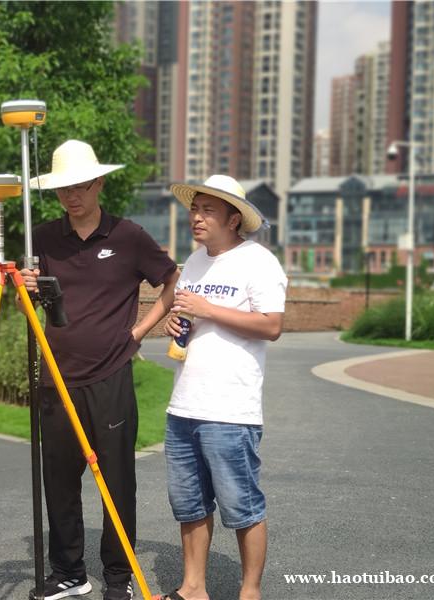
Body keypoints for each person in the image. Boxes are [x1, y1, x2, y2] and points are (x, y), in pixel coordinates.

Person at [19, 140, 179, 600]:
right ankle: (70, 572)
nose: (72, 196)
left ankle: (117, 577)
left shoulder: (128, 237)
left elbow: (171, 280)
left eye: (81, 186)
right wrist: (25, 289)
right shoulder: (43, 239)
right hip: (56, 376)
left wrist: (140, 331)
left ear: (99, 183)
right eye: (63, 188)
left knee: (117, 482)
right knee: (60, 480)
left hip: (110, 377)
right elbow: (25, 304)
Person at [159, 175, 287, 600]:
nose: (196, 217)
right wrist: (175, 322)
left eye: (207, 210)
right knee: (190, 505)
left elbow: (272, 326)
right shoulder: (194, 262)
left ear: (234, 219)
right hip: (183, 405)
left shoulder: (259, 262)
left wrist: (206, 309)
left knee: (242, 506)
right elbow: (190, 315)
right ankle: (192, 588)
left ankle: (249, 591)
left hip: (231, 410)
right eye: (194, 208)